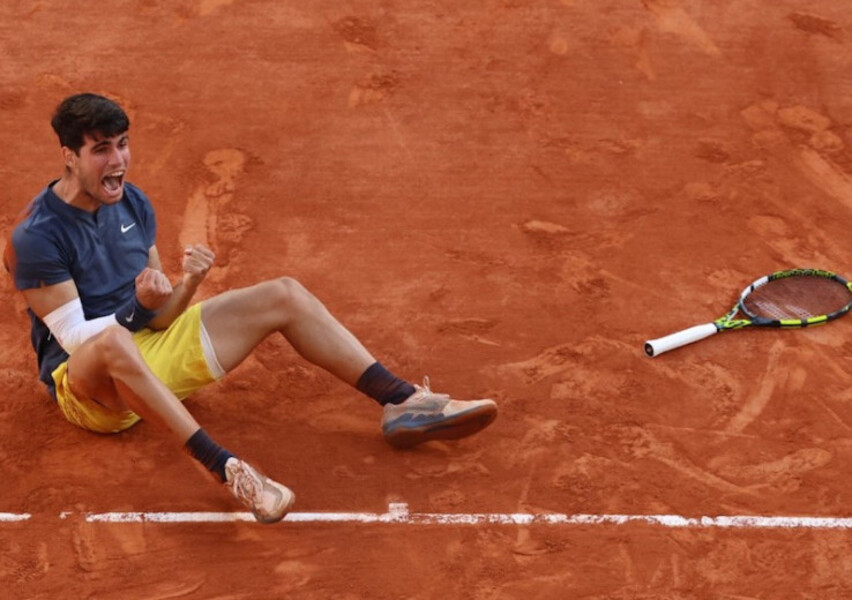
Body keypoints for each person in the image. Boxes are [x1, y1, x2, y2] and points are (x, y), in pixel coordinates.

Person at [4, 93, 498, 524]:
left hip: (146, 349)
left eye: (123, 143)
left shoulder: (132, 203)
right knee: (113, 341)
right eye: (101, 150)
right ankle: (231, 472)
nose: (118, 161)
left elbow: (161, 319)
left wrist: (189, 283)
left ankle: (401, 402)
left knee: (283, 292)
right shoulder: (36, 238)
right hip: (93, 393)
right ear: (69, 157)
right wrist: (136, 310)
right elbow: (76, 342)